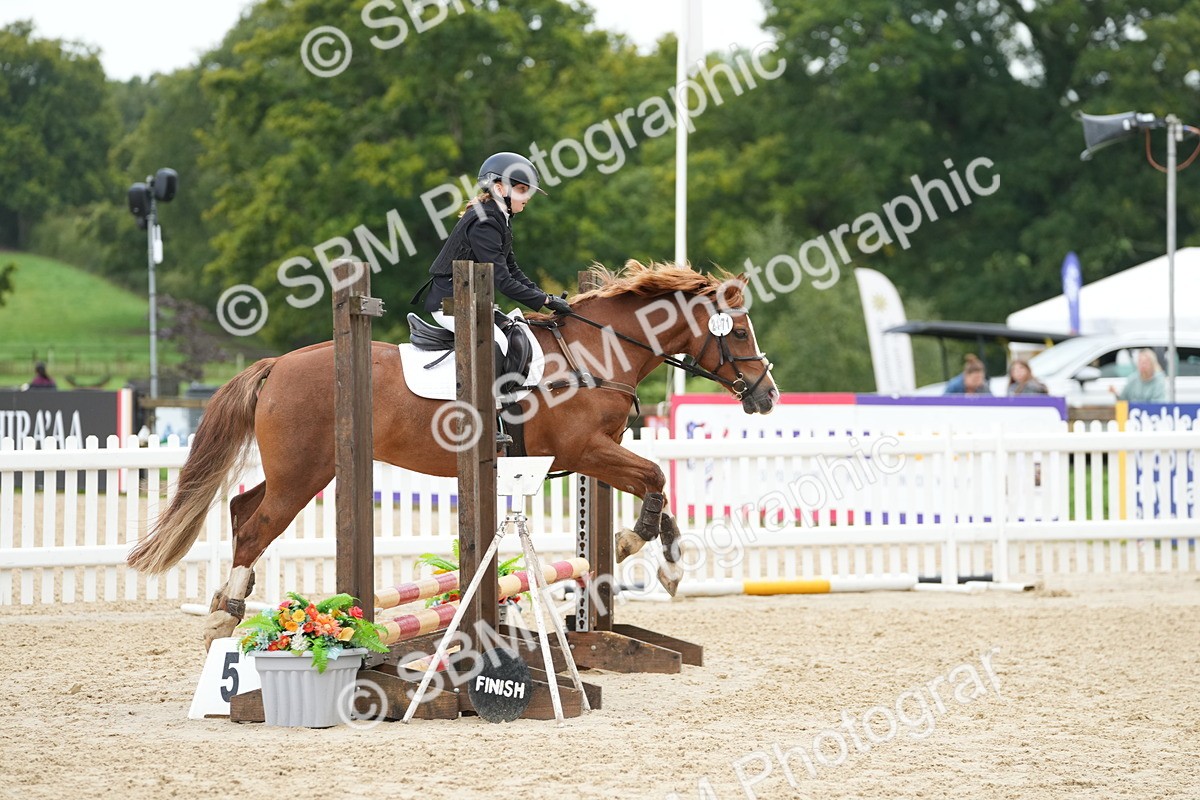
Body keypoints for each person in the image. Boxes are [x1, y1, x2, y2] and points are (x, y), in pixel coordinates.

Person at [414, 152, 571, 319]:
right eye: (522, 189)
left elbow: (512, 269)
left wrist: (546, 297)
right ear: (499, 189)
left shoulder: (499, 218)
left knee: (517, 329)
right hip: (450, 303)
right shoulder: (485, 224)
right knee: (501, 336)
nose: (527, 197)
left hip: (473, 301)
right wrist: (545, 301)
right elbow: (503, 281)